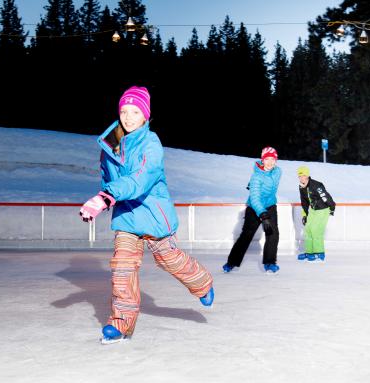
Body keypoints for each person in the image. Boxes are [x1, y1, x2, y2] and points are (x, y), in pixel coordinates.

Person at [79, 86, 214, 345]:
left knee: (169, 259)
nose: (128, 117)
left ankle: (202, 283)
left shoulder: (152, 144)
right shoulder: (110, 146)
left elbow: (139, 180)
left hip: (152, 214)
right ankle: (120, 324)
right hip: (127, 218)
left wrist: (108, 196)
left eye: (135, 111)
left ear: (146, 116)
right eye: (124, 111)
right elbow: (109, 180)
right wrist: (105, 199)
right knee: (123, 268)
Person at [223, 147, 282, 274]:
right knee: (246, 235)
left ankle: (270, 263)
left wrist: (268, 212)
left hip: (271, 205)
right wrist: (263, 215)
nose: (270, 162)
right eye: (267, 159)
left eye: (273, 159)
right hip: (254, 208)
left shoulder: (278, 172)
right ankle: (231, 262)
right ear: (263, 160)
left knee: (273, 233)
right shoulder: (256, 177)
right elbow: (255, 198)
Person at [297, 166, 336, 262]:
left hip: (323, 209)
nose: (302, 177)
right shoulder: (301, 187)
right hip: (313, 210)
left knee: (316, 230)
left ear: (308, 175)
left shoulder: (316, 185)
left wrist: (332, 207)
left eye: (304, 175)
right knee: (308, 229)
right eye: (300, 176)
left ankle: (319, 253)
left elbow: (325, 196)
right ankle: (310, 252)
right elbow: (304, 202)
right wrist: (305, 215)